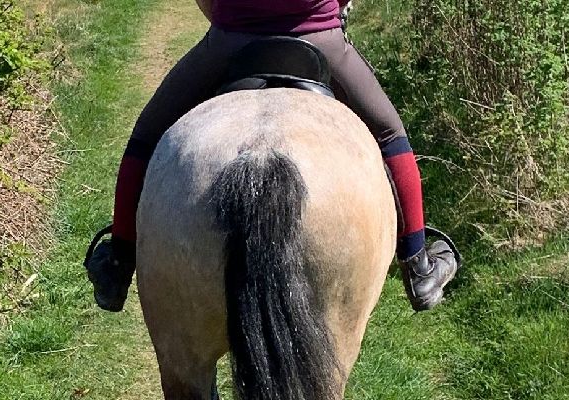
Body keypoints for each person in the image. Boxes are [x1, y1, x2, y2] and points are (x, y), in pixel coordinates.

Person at [84, 0, 460, 313]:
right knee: (391, 134)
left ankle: (118, 264)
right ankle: (417, 265)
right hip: (322, 38)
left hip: (231, 40)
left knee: (146, 136)